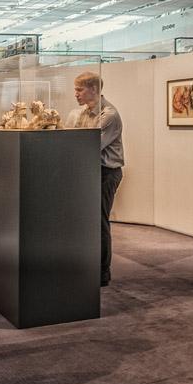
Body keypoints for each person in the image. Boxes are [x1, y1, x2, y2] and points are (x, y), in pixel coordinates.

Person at [65, 71, 125, 287]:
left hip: (105, 173)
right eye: (75, 89)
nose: (76, 94)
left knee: (98, 221)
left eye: (79, 90)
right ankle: (85, 263)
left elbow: (88, 146)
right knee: (85, 220)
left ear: (94, 89)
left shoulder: (108, 115)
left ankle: (102, 272)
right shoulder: (81, 114)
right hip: (88, 171)